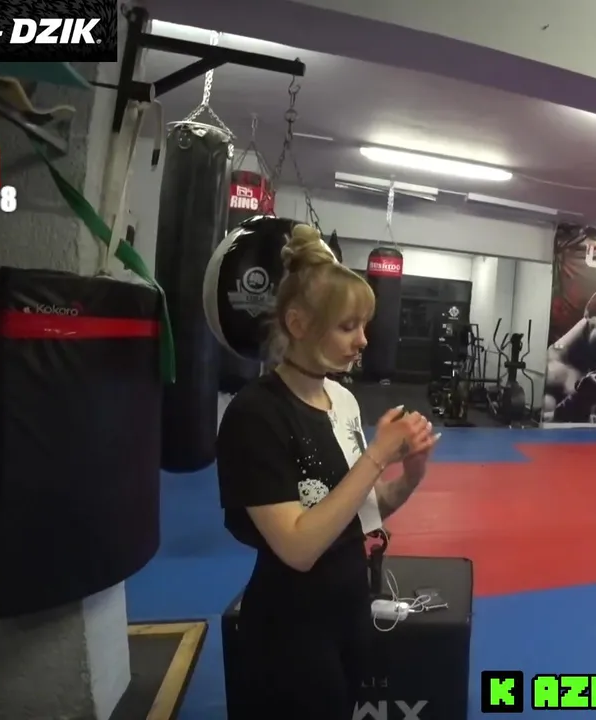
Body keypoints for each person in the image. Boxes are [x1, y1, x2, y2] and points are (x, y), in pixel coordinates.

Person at [215, 224, 441, 719]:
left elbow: (359, 513)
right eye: (347, 327)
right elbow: (298, 548)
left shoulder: (342, 399)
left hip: (349, 609)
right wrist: (377, 455)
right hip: (290, 627)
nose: (363, 341)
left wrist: (410, 475)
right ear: (298, 324)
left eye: (364, 326)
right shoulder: (256, 415)